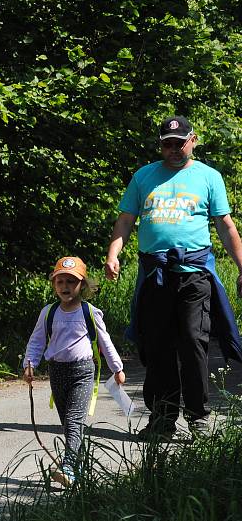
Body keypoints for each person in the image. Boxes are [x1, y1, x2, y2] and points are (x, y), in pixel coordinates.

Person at [105, 115, 242, 440]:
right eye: (168, 144)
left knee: (194, 342)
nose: (174, 149)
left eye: (180, 143)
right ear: (161, 145)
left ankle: (198, 418)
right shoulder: (144, 177)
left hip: (194, 274)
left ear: (192, 140)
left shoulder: (208, 177)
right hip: (155, 274)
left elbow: (226, 226)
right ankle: (163, 420)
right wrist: (114, 254)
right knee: (158, 347)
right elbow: (125, 220)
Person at [23, 257, 125, 486]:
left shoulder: (90, 312)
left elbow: (105, 342)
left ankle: (68, 468)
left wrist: (117, 368)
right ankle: (77, 465)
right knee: (67, 424)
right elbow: (37, 341)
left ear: (83, 285)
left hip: (83, 372)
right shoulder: (48, 312)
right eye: (60, 282)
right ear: (54, 285)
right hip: (57, 371)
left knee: (74, 419)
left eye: (71, 281)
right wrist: (29, 364)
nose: (65, 286)